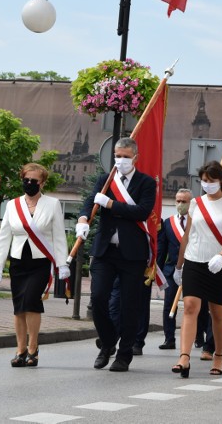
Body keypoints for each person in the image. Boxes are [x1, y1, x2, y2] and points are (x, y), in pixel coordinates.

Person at [75, 137, 156, 372]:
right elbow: (90, 203)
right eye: (117, 156)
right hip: (105, 251)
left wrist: (110, 205)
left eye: (125, 156)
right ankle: (108, 343)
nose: (120, 160)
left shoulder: (145, 183)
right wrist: (82, 219)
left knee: (130, 305)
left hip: (132, 253)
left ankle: (124, 354)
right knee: (98, 298)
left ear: (135, 158)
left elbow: (141, 211)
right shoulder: (105, 179)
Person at [171, 161, 222, 378]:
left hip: (218, 264)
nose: (207, 184)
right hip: (195, 260)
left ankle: (219, 355)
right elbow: (187, 235)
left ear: (220, 180)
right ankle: (184, 356)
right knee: (191, 306)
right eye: (203, 181)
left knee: (217, 312)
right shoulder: (196, 203)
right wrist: (179, 265)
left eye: (211, 181)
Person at [0, 163, 70, 367]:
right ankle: (20, 350)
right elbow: (4, 236)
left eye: (34, 181)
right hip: (18, 261)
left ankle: (33, 348)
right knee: (19, 307)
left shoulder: (52, 204)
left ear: (42, 182)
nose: (29, 183)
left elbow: (59, 236)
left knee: (31, 301)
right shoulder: (12, 205)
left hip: (40, 262)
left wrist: (62, 264)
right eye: (26, 180)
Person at [156, 188, 193, 350]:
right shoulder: (168, 223)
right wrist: (156, 270)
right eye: (178, 201)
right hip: (172, 270)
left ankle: (198, 337)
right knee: (169, 305)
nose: (180, 204)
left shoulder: (196, 221)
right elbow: (162, 249)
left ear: (190, 203)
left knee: (194, 305)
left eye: (184, 201)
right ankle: (169, 338)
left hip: (192, 269)